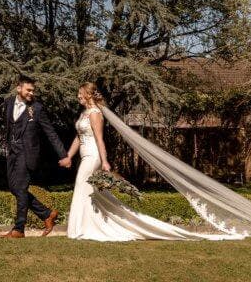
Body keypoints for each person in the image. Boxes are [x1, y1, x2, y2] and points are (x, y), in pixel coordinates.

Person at [65, 82, 233, 241]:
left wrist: (104, 161)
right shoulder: (84, 113)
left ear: (88, 94)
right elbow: (79, 137)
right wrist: (69, 156)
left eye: (80, 93)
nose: (78, 96)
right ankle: (85, 226)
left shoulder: (95, 114)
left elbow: (100, 139)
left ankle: (82, 228)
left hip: (93, 156)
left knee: (82, 186)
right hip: (85, 155)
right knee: (88, 190)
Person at [0, 75, 72, 239]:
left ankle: (19, 229)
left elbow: (51, 133)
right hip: (12, 151)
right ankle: (47, 214)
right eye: (28, 90)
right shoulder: (8, 103)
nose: (31, 93)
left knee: (22, 188)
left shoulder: (37, 109)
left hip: (27, 153)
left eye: (33, 90)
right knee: (14, 188)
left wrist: (64, 155)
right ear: (19, 88)